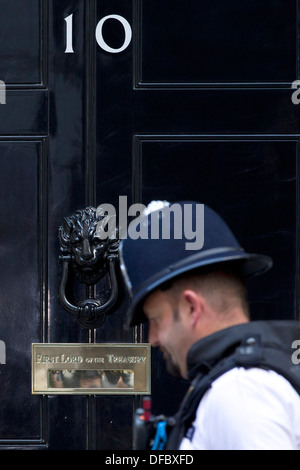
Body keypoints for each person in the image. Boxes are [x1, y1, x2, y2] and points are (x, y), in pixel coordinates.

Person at [119, 200, 300, 450]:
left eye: (155, 319)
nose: (153, 338)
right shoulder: (238, 384)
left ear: (191, 308)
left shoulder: (241, 394)